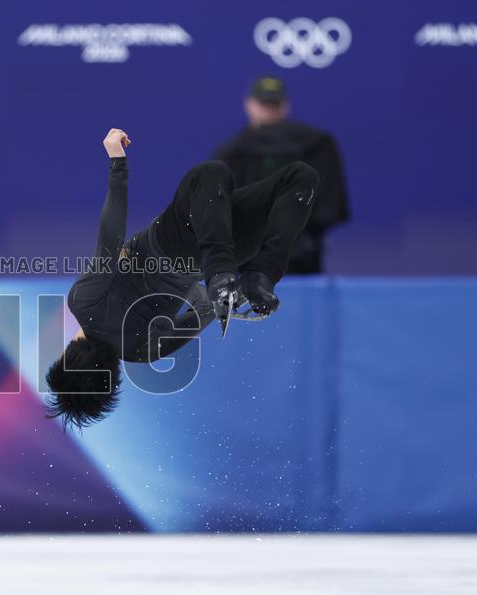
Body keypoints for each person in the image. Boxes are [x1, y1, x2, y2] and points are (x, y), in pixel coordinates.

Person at [44, 128, 318, 428]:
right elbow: (111, 238)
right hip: (181, 237)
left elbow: (208, 309)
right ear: (66, 355)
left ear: (113, 378)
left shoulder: (141, 352)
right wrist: (117, 163)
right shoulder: (84, 305)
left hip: (228, 248)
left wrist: (201, 286)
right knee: (211, 173)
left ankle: (262, 274)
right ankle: (235, 271)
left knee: (299, 179)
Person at [213, 76, 349, 274]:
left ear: (285, 106)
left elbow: (328, 205)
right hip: (249, 262)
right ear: (248, 105)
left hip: (299, 258)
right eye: (264, 104)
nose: (269, 110)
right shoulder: (231, 153)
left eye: (273, 104)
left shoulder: (316, 145)